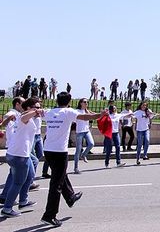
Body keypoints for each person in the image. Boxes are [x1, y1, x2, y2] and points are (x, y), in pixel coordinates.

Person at [41, 92, 104, 227]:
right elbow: (85, 116)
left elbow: (37, 114)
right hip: (59, 151)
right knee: (56, 183)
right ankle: (49, 215)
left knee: (61, 174)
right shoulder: (68, 111)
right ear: (69, 101)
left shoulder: (50, 112)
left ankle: (70, 197)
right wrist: (100, 115)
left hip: (48, 150)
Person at [1, 97, 42, 218]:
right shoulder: (23, 117)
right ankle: (7, 208)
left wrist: (36, 112)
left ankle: (23, 201)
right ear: (29, 108)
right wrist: (35, 112)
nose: (39, 110)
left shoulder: (26, 117)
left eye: (40, 107)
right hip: (18, 155)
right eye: (37, 107)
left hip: (23, 154)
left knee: (30, 176)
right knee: (18, 182)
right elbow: (23, 117)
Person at [73, 98, 95, 174]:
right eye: (85, 102)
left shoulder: (87, 111)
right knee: (78, 150)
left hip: (86, 131)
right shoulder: (77, 111)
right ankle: (76, 167)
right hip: (79, 132)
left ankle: (84, 155)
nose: (86, 103)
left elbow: (94, 115)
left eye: (87, 102)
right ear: (81, 103)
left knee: (91, 143)